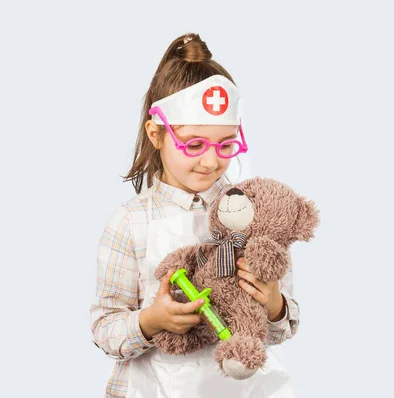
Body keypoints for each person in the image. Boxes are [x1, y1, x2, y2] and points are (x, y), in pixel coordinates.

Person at [90, 33, 299, 398]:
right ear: (156, 134)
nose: (210, 160)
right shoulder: (130, 222)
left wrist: (273, 302)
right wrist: (150, 321)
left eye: (226, 145)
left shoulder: (254, 212)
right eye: (195, 144)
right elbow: (104, 327)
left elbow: (283, 330)